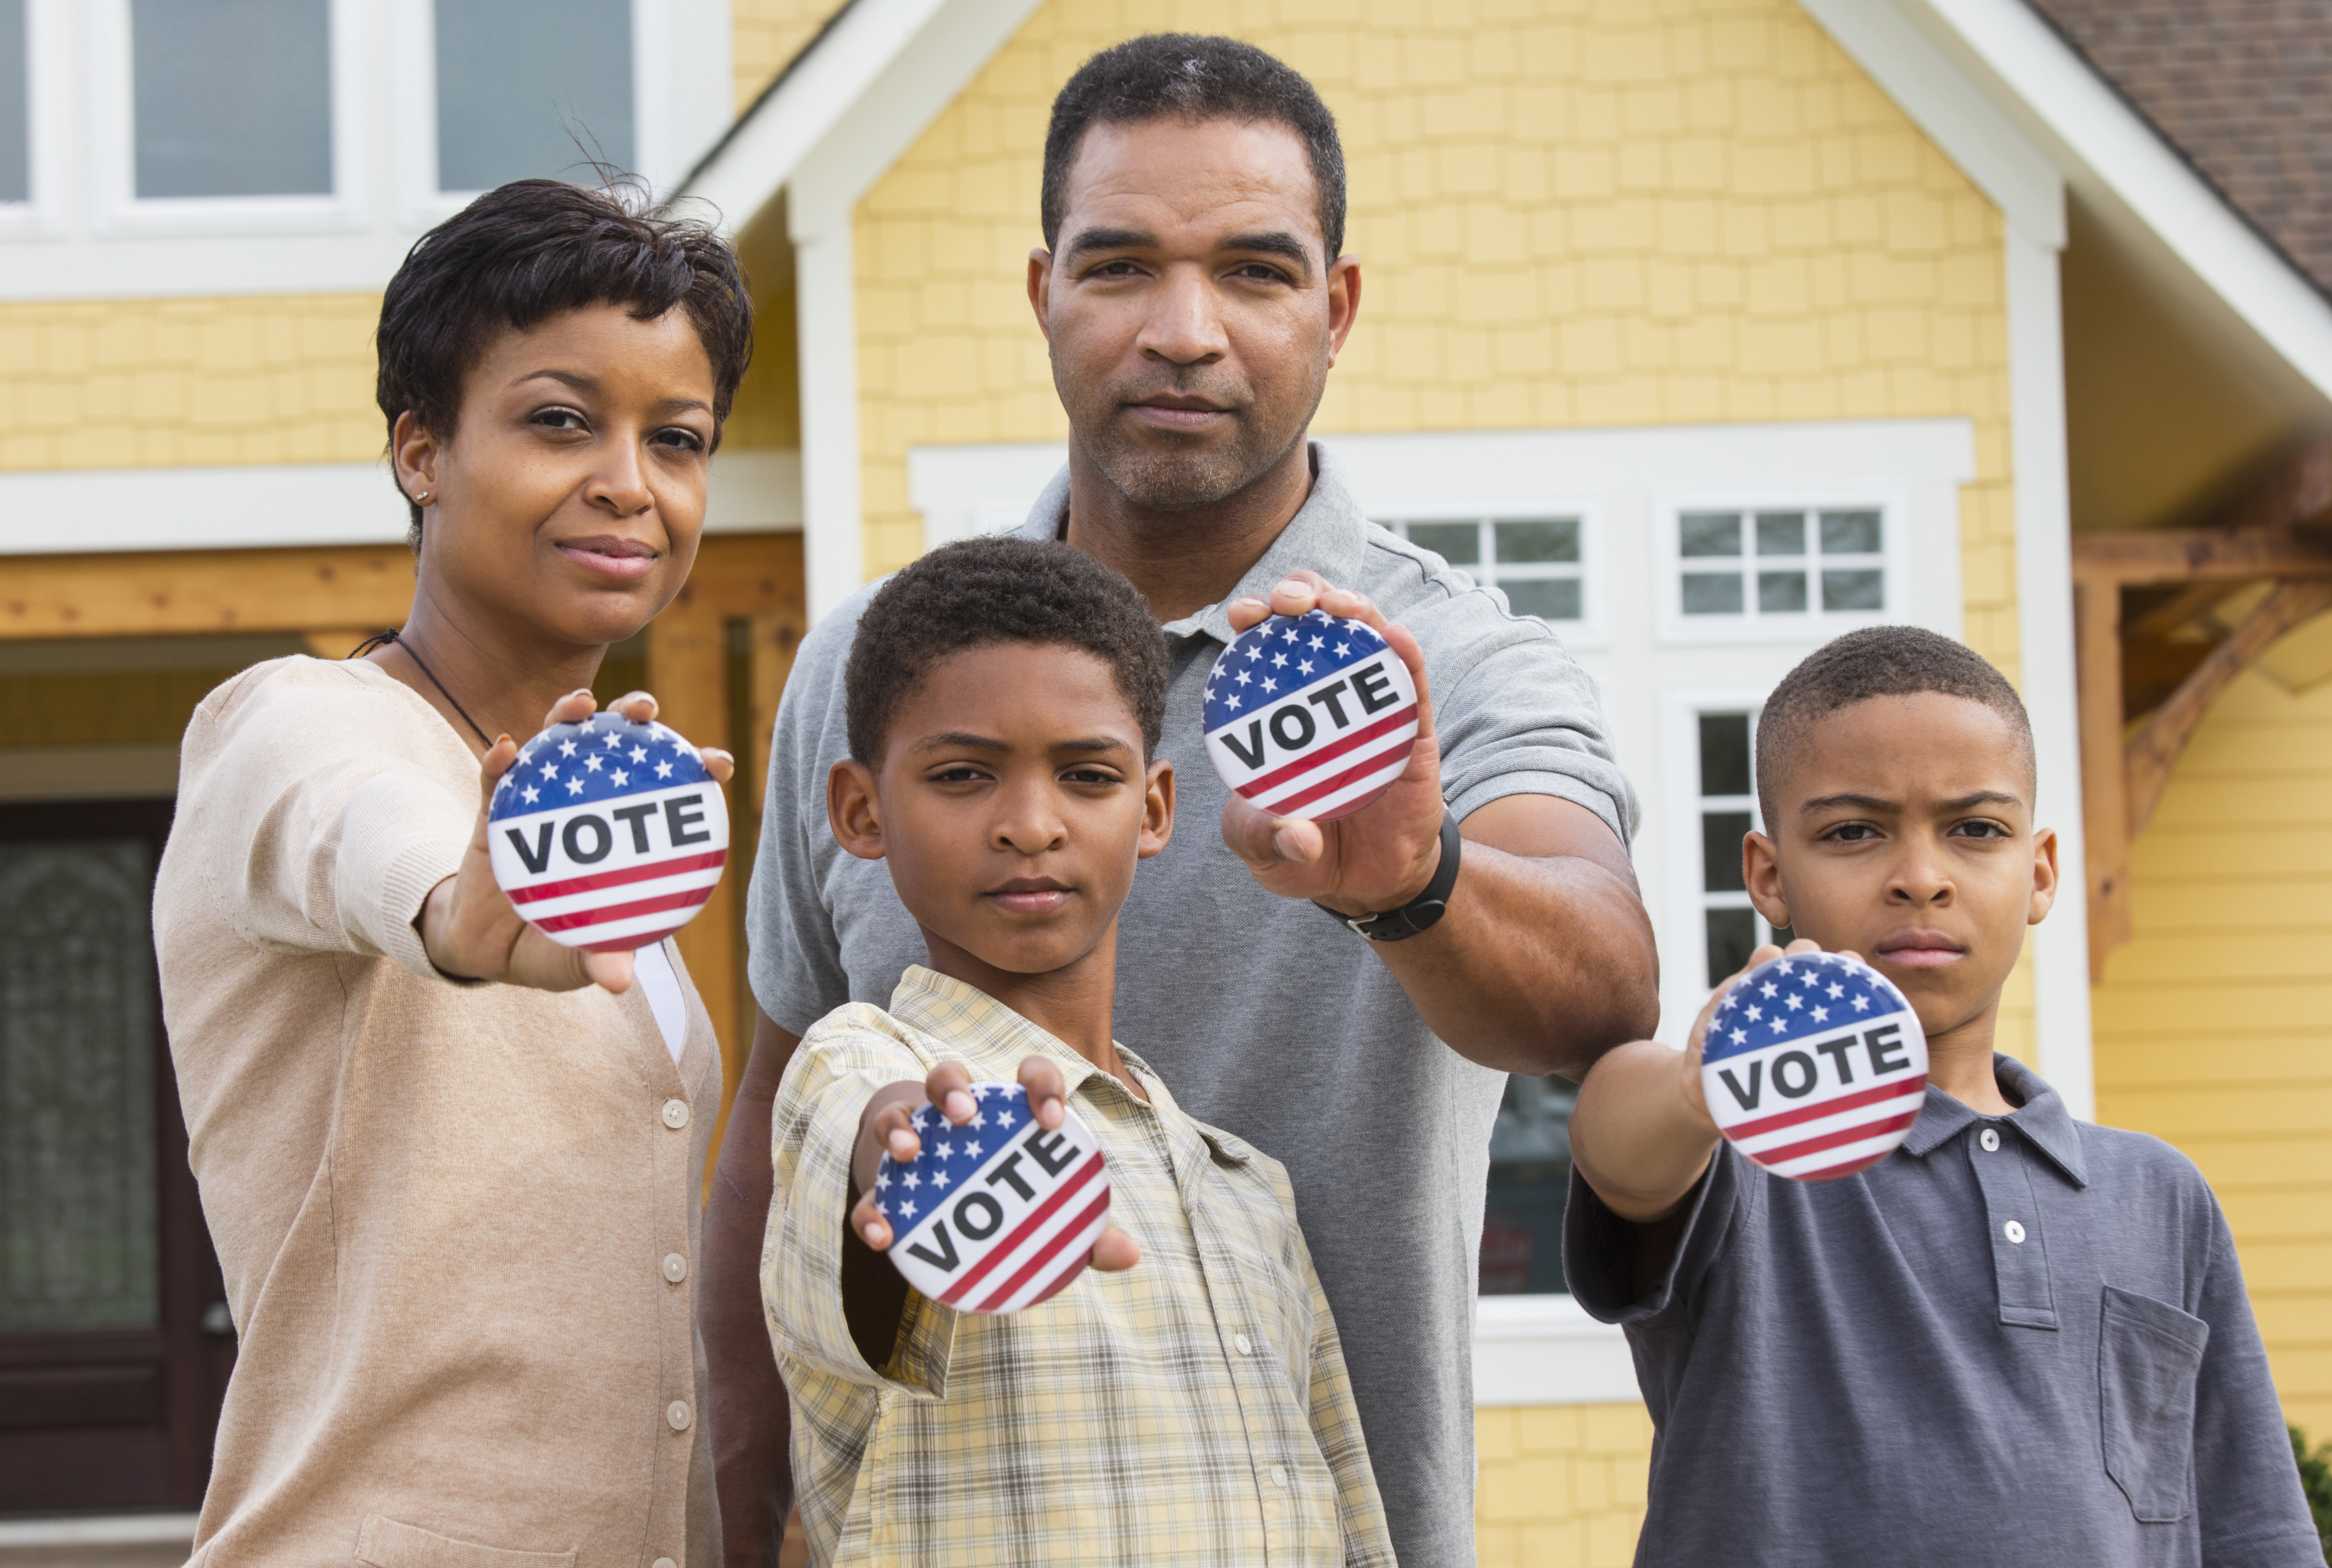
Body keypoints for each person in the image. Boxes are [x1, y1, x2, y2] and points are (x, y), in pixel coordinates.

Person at [704, 33, 1659, 1567]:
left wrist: (1414, 878)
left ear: (1334, 309)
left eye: (1256, 273)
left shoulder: (1454, 665)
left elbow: (1602, 981)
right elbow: (780, 1105)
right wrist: (735, 1519)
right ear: (1043, 296)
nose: (1185, 331)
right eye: (1123, 265)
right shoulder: (875, 668)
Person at [153, 179, 752, 1566]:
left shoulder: (587, 830)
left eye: (677, 439)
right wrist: (458, 915)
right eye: (560, 420)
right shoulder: (297, 725)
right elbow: (368, 835)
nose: (629, 482)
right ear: (422, 449)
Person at [1563, 626, 2324, 1566]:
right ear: (1768, 875)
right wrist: (1698, 1085)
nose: (1920, 877)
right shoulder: (1751, 1150)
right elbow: (1616, 1136)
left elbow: (2252, 1529)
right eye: (1853, 831)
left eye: (1976, 830)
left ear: (2039, 871)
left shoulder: (2161, 1195)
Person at [762, 536, 1395, 1567]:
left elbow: (1344, 1520)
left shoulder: (1247, 1191)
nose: (1030, 825)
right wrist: (910, 1145)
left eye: (1087, 776)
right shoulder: (857, 1067)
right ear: (861, 811)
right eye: (963, 775)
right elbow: (867, 1136)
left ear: (1152, 811)